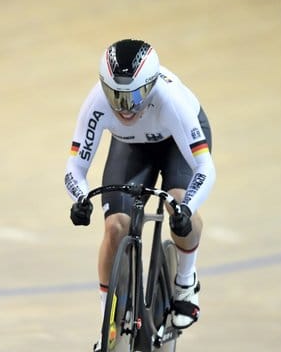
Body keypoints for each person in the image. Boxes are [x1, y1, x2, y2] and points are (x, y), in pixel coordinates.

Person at [64, 39, 215, 349]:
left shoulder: (171, 101)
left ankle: (186, 281)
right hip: (132, 146)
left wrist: (186, 207)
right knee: (115, 226)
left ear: (150, 85)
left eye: (133, 95)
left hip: (177, 144)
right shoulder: (97, 103)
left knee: (177, 207)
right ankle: (108, 317)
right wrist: (80, 198)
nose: (124, 107)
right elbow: (74, 169)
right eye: (115, 96)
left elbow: (204, 168)